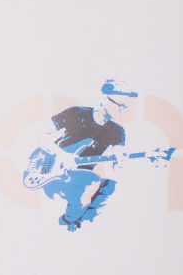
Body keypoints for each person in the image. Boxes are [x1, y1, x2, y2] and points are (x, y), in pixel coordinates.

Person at [40, 80, 137, 231]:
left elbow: (119, 152)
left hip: (81, 175)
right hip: (52, 168)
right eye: (119, 105)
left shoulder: (117, 131)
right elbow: (43, 138)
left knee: (110, 185)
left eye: (125, 106)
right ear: (104, 99)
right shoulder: (75, 113)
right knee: (91, 185)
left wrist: (120, 160)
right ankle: (70, 223)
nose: (122, 109)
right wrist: (62, 156)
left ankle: (72, 222)